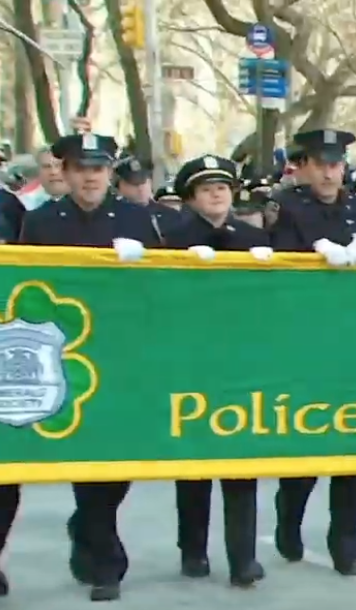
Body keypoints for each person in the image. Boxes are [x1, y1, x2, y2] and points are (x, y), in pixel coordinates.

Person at [20, 133, 162, 601]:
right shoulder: (41, 221)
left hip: (120, 353)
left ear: (110, 172)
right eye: (81, 168)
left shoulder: (136, 218)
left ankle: (87, 526)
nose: (90, 177)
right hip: (63, 355)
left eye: (98, 168)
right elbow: (25, 285)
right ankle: (105, 564)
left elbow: (163, 285)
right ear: (65, 172)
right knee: (84, 455)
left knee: (115, 463)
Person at [271, 128, 356, 576]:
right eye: (320, 165)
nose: (329, 173)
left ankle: (346, 540)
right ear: (304, 168)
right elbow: (280, 268)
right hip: (307, 340)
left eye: (335, 165)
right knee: (309, 441)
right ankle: (289, 517)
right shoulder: (289, 207)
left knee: (355, 447)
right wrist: (313, 254)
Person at [167, 154, 270, 586]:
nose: (216, 195)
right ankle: (193, 550)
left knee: (241, 464)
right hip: (190, 360)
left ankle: (243, 558)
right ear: (191, 197)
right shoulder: (170, 238)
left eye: (223, 188)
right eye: (206, 189)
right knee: (193, 468)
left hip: (240, 361)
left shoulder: (252, 238)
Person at [116, 156, 184, 230]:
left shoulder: (170, 216)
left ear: (150, 181)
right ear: (121, 186)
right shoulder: (114, 218)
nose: (140, 188)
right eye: (134, 183)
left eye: (143, 181)